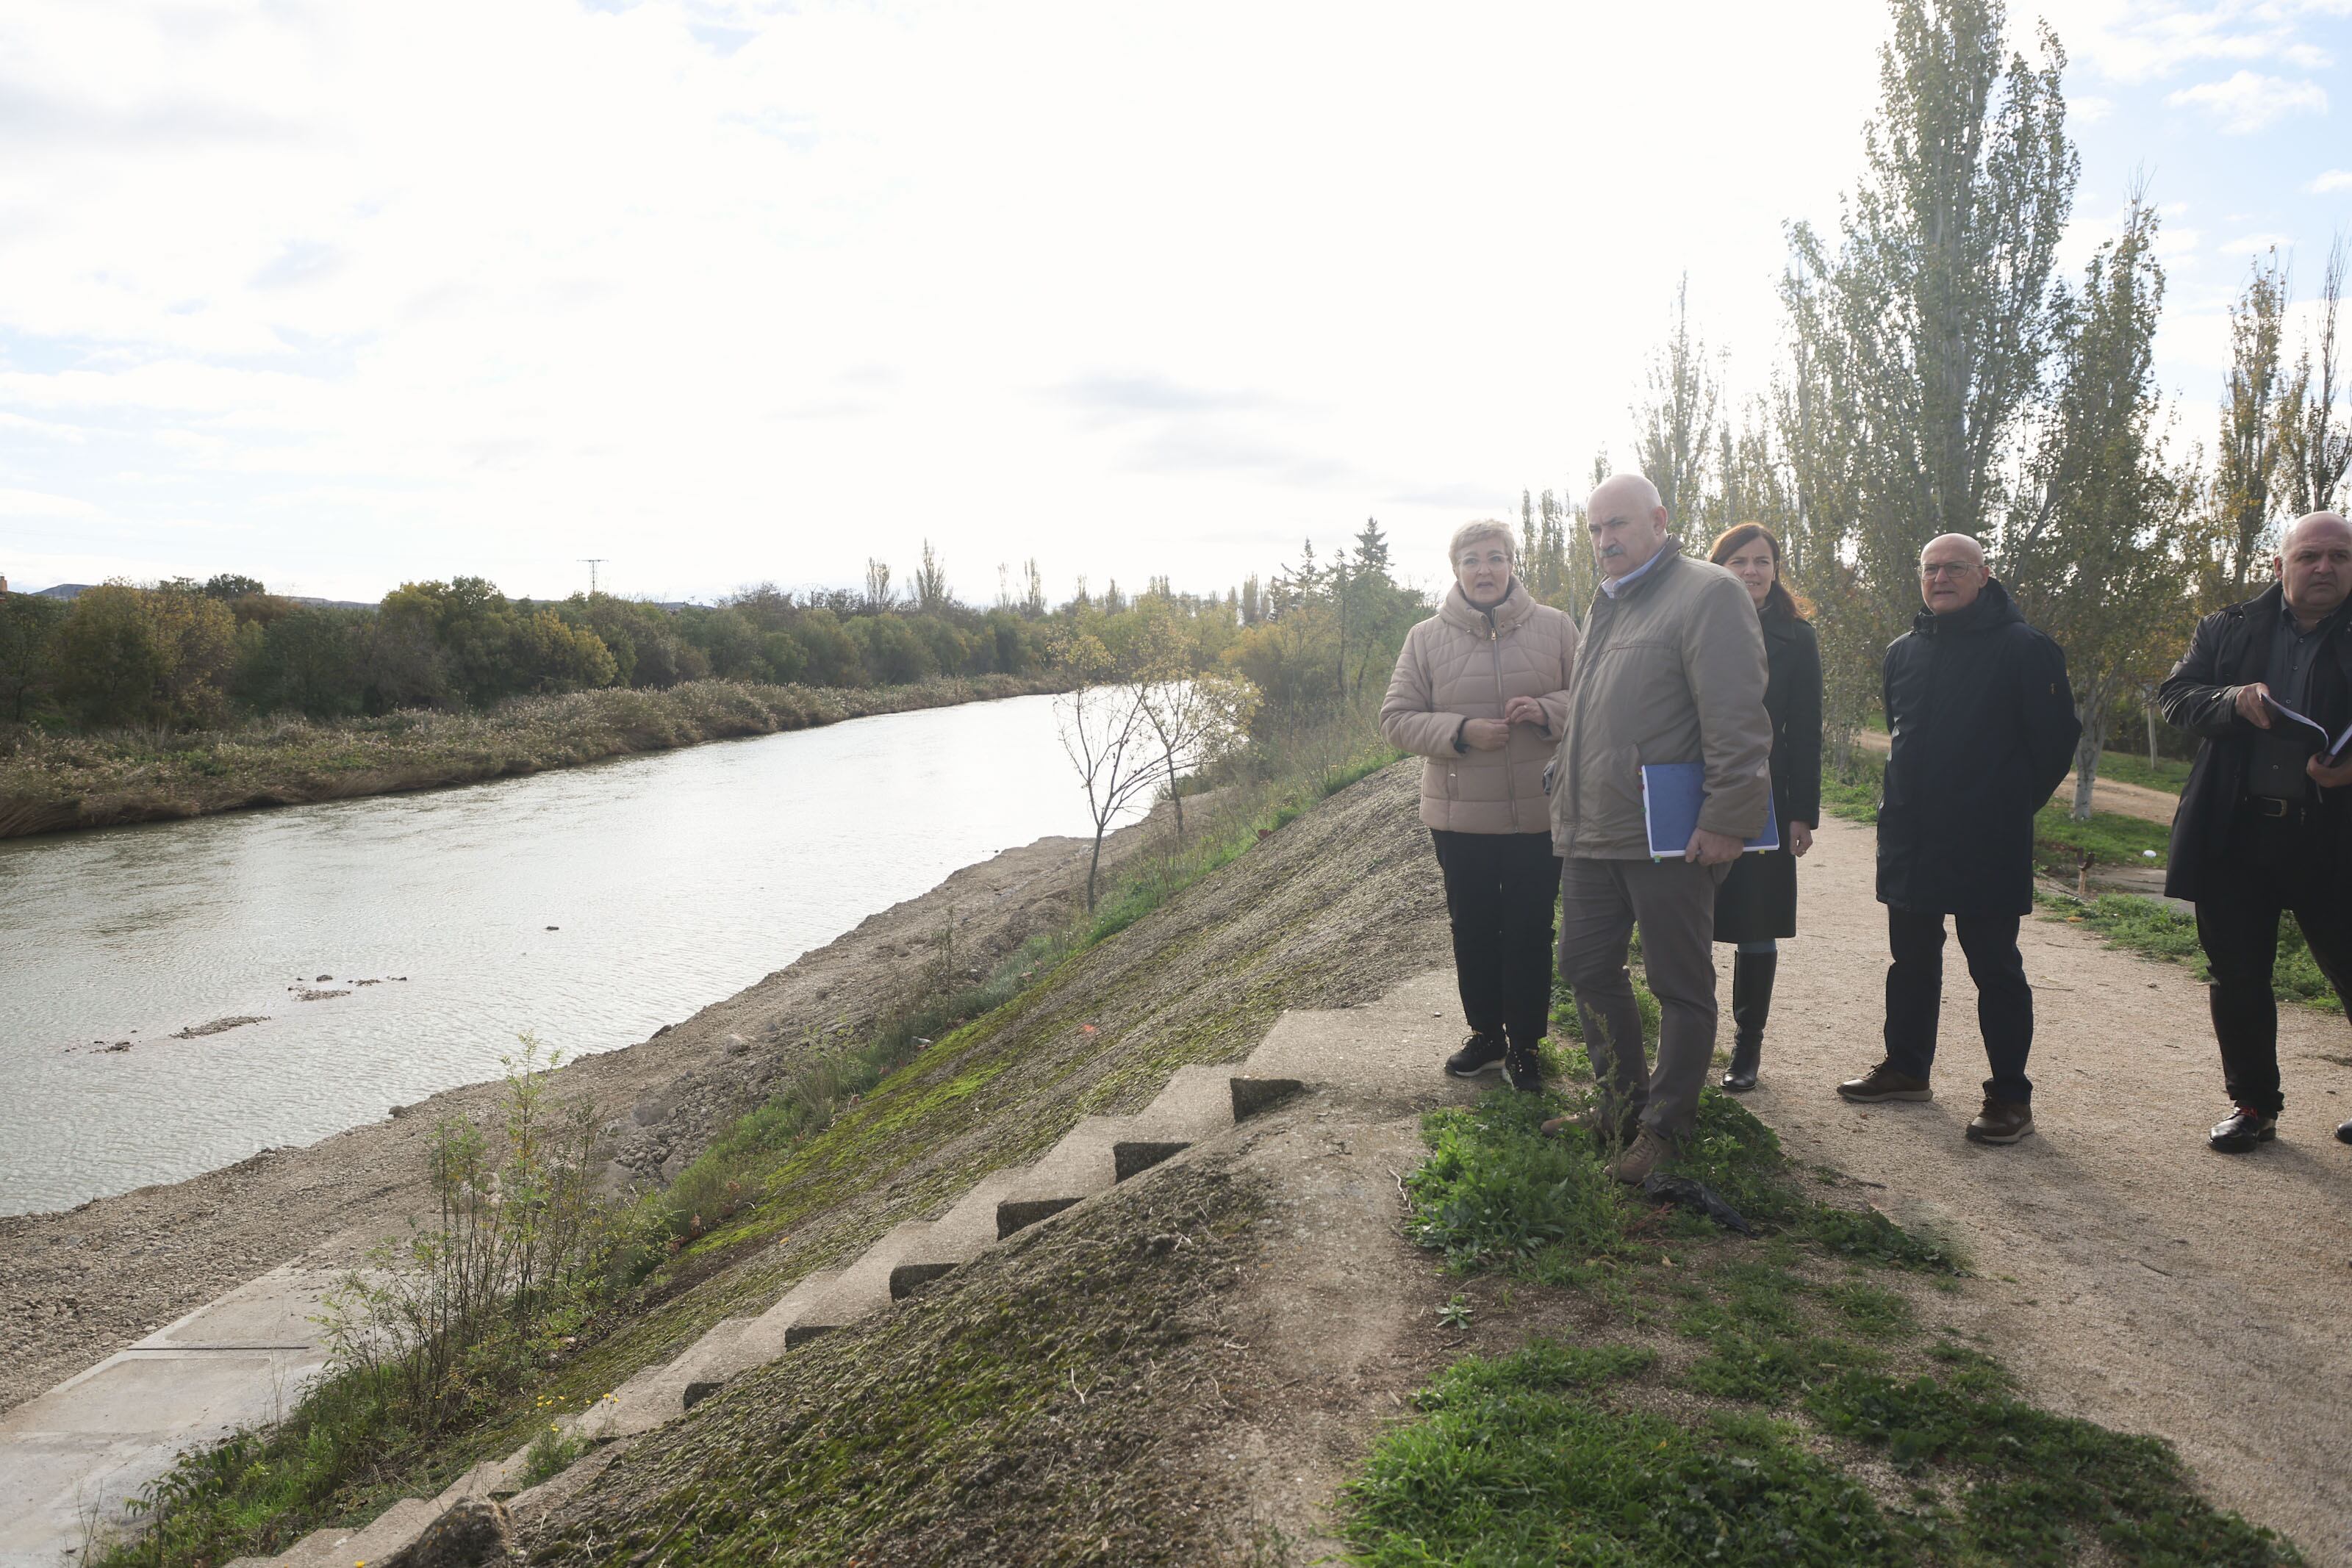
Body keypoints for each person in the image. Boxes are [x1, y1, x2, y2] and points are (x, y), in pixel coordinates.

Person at [1541, 474, 1772, 1182]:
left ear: (1659, 521)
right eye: (1593, 529)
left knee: (1680, 985)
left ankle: (1665, 1132)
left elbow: (1738, 718)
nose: (1604, 540)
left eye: (1617, 524)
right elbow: (1593, 712)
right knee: (1584, 967)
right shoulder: (1608, 603)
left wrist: (1728, 819)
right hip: (1593, 828)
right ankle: (1619, 1101)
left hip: (1667, 835)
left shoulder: (1708, 593)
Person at [1836, 534, 2079, 1146]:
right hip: (1911, 834)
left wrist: (2006, 806)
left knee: (1995, 968)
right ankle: (1907, 1069)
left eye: (1955, 568)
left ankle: (2010, 1099)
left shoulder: (2026, 649)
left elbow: (2054, 745)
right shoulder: (1902, 652)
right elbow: (1903, 731)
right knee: (1910, 961)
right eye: (1931, 569)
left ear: (1984, 575)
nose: (1941, 578)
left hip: (1988, 839)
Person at [2155, 510, 2352, 1155]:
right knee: (2237, 976)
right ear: (2280, 565)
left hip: (2336, 837)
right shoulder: (2227, 627)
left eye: (2339, 557)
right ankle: (2253, 1107)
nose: (2324, 567)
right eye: (2310, 556)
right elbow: (2178, 696)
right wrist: (2230, 701)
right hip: (2236, 832)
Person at [1380, 520, 1580, 1091]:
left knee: (1529, 930)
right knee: (1472, 930)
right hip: (1460, 820)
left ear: (1514, 564)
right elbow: (1396, 720)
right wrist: (1462, 730)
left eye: (1496, 557)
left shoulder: (1557, 628)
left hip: (1539, 816)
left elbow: (1594, 699)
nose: (1485, 569)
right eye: (1472, 560)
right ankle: (1487, 1037)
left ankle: (1526, 1047)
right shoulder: (1424, 638)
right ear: (1456, 570)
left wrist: (1546, 711)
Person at [1707, 524, 1822, 1091]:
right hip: (1694, 789)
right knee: (1687, 921)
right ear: (1718, 567)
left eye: (1763, 561)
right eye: (1738, 561)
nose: (1752, 571)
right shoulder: (1695, 621)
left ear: (1776, 569)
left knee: (1756, 923)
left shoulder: (1797, 639)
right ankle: (1689, 1041)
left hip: (1766, 797)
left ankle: (1746, 1051)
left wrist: (1802, 811)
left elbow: (1805, 729)